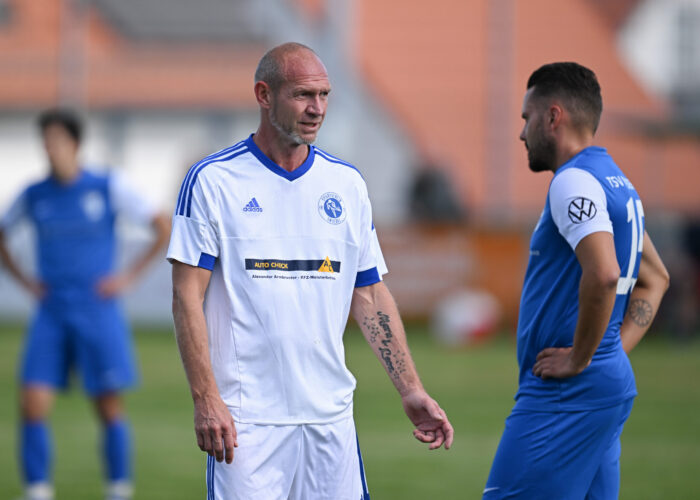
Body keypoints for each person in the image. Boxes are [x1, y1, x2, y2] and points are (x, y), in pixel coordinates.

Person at [168, 42, 454, 500]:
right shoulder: (213, 181)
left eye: (324, 95)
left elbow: (371, 296)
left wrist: (410, 388)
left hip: (329, 419)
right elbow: (186, 297)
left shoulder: (346, 184)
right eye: (303, 95)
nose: (317, 108)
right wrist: (206, 398)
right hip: (247, 422)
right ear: (264, 94)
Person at [482, 62, 670, 499]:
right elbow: (656, 278)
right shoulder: (615, 181)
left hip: (565, 394)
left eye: (527, 118)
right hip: (602, 384)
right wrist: (609, 354)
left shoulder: (573, 182)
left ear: (553, 117)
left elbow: (604, 273)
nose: (522, 133)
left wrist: (582, 359)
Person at [0, 109, 171, 500]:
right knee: (31, 403)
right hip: (51, 312)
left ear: (74, 144)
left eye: (57, 141)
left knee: (108, 405)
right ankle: (38, 490)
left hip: (97, 310)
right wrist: (25, 281)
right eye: (45, 142)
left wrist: (127, 278)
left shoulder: (108, 186)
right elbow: (3, 233)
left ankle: (117, 488)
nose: (50, 149)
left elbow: (161, 226)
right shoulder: (34, 194)